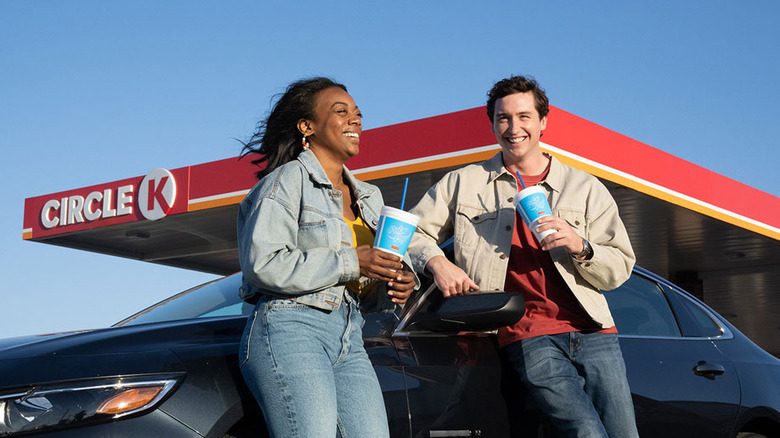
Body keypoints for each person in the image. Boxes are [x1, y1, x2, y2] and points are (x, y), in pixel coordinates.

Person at [407, 75, 639, 437]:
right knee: (586, 432)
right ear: (492, 124)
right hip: (527, 332)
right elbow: (410, 232)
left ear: (543, 122)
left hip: (596, 331)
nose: (513, 128)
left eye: (524, 116)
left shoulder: (585, 187)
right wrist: (439, 263)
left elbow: (620, 267)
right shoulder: (464, 183)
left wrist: (581, 245)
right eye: (503, 118)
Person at [236, 77, 416, 438]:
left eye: (358, 114)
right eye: (341, 111)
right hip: (291, 328)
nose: (355, 120)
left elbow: (367, 285)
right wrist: (354, 260)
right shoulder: (286, 181)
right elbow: (263, 264)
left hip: (350, 335)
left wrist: (398, 281)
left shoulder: (370, 197)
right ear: (307, 126)